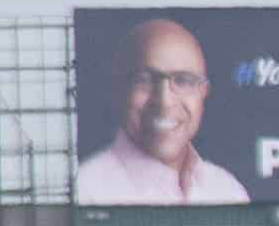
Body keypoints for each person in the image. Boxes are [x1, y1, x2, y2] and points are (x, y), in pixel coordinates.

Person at [74, 17, 250, 205]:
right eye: (144, 80)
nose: (164, 101)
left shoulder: (227, 190)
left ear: (203, 92)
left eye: (183, 81)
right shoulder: (86, 191)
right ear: (119, 90)